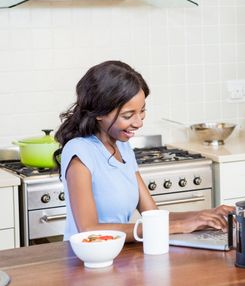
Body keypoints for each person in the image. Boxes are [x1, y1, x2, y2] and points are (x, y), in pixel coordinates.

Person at [55, 60, 233, 241]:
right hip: (85, 260)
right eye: (128, 115)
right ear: (99, 113)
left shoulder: (122, 147)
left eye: (142, 111)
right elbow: (89, 230)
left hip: (117, 256)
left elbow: (153, 215)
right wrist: (179, 226)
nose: (139, 122)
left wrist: (206, 215)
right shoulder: (80, 151)